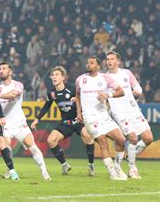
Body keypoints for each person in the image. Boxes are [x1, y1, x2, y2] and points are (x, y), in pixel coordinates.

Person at [31, 66, 95, 176]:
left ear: (63, 77)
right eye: (53, 75)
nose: (54, 77)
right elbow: (46, 107)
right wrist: (37, 119)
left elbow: (87, 98)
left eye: (57, 75)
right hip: (66, 122)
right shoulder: (52, 93)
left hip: (79, 119)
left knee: (88, 136)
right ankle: (64, 164)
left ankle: (91, 165)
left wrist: (78, 99)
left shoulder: (73, 88)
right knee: (51, 140)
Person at [0, 62, 51, 181]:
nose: (1, 71)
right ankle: (10, 170)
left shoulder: (18, 85)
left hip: (19, 123)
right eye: (0, 69)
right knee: (7, 147)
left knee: (33, 146)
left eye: (4, 68)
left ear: (10, 72)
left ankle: (45, 173)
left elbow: (14, 94)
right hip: (5, 124)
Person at [75, 56, 127, 181]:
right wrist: (79, 112)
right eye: (88, 62)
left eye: (92, 63)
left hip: (104, 116)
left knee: (121, 139)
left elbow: (121, 91)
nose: (88, 64)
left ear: (98, 66)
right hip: (90, 117)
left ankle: (117, 167)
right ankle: (112, 173)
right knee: (103, 142)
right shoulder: (80, 79)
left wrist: (107, 95)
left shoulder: (105, 78)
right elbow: (77, 95)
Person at [105, 51, 153, 179]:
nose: (109, 61)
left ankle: (129, 154)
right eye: (108, 59)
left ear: (118, 61)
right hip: (119, 113)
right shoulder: (104, 78)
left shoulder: (126, 73)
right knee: (132, 138)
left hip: (134, 110)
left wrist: (138, 90)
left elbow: (138, 87)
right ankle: (132, 168)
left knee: (148, 138)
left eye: (112, 59)